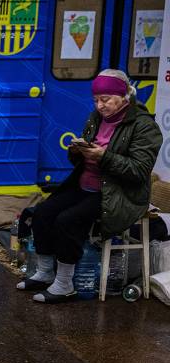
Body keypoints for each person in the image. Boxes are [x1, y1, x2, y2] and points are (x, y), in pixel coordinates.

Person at [17, 69, 162, 303]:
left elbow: (138, 170)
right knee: (43, 212)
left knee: (68, 220)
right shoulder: (96, 118)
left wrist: (103, 157)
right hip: (85, 185)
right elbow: (83, 159)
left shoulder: (144, 126)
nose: (100, 106)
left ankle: (64, 284)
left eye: (105, 99)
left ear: (124, 96)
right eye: (96, 100)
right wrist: (78, 152)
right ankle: (44, 273)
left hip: (117, 192)